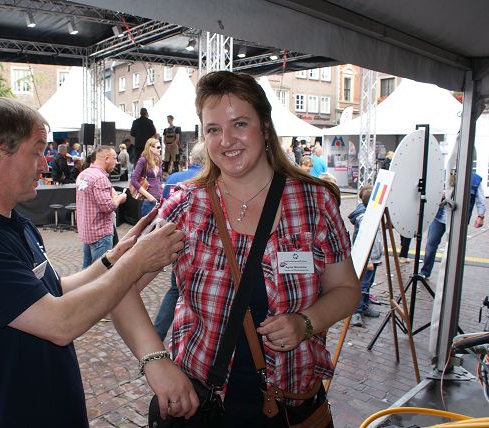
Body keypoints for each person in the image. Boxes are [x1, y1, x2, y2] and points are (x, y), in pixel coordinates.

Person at [0, 97, 188, 427]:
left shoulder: (16, 224)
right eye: (36, 151)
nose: (44, 165)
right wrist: (134, 264)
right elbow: (60, 322)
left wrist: (116, 257)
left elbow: (55, 291)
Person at [137, 71, 360, 425]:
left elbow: (347, 289)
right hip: (204, 407)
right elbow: (121, 289)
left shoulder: (314, 202)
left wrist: (306, 322)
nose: (226, 140)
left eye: (240, 124)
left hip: (291, 407)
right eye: (213, 129)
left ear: (265, 127)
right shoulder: (187, 206)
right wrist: (156, 362)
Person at [153, 142, 206, 341]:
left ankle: (157, 334)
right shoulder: (207, 179)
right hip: (197, 245)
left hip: (172, 239)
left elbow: (163, 209)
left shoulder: (173, 178)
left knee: (175, 288)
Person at [419, 173, 485, 279]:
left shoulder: (475, 179)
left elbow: (480, 199)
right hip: (440, 217)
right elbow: (431, 190)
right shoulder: (446, 173)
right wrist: (439, 195)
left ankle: (451, 276)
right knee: (431, 244)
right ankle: (425, 272)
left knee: (454, 247)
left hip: (459, 220)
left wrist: (480, 216)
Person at [76, 145, 127, 269]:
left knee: (86, 272)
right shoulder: (100, 178)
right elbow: (108, 207)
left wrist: (111, 192)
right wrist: (120, 198)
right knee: (100, 273)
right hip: (100, 234)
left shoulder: (83, 174)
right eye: (114, 158)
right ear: (107, 159)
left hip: (87, 232)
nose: (116, 162)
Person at [348, 185, 382, 327]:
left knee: (367, 285)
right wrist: (368, 260)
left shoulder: (371, 214)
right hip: (367, 259)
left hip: (373, 258)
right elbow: (362, 240)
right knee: (363, 285)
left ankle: (364, 306)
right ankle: (356, 311)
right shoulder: (364, 218)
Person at [131, 138, 163, 217]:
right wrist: (149, 196)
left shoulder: (158, 160)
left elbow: (159, 179)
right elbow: (134, 180)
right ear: (151, 148)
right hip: (148, 201)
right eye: (158, 147)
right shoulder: (143, 160)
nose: (160, 149)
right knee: (147, 224)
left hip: (160, 200)